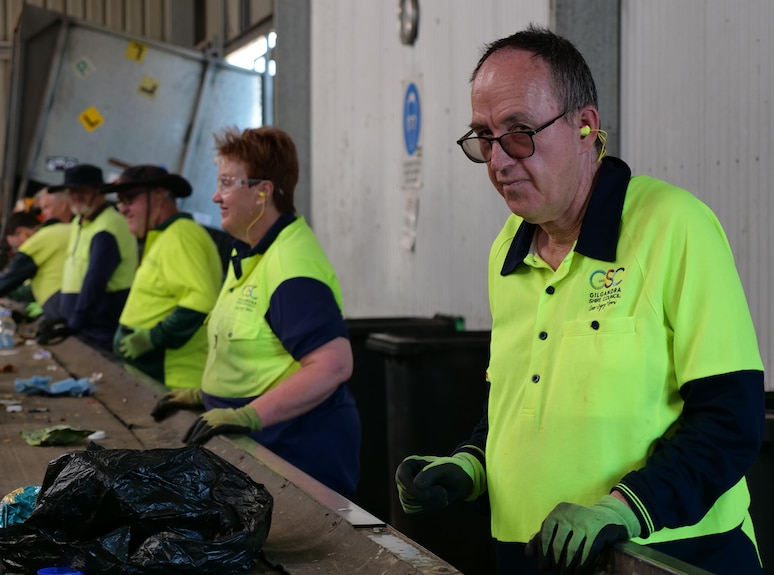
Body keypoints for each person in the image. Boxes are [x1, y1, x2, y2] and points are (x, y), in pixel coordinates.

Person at [394, 25, 765, 575]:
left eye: (519, 133)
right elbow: (517, 399)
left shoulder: (673, 227)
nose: (498, 161)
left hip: (661, 556)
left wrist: (624, 508)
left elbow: (730, 420)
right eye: (484, 137)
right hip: (529, 555)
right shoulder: (508, 248)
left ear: (586, 126)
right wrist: (471, 464)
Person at [151, 126, 361, 498]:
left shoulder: (291, 265)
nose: (216, 196)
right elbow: (260, 349)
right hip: (257, 455)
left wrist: (247, 414)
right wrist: (210, 394)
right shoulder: (251, 253)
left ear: (263, 191)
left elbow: (333, 365)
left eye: (228, 183)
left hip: (293, 457)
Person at [106, 165, 222, 390]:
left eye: (129, 199)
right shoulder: (166, 236)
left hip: (173, 380)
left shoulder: (181, 235)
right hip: (159, 379)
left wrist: (152, 339)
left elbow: (200, 302)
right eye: (120, 201)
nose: (123, 209)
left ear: (159, 195)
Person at [46, 164, 138, 350]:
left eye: (83, 191)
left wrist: (74, 323)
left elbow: (95, 280)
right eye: (71, 191)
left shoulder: (109, 226)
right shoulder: (79, 222)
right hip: (81, 324)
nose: (76, 196)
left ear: (99, 191)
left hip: (98, 328)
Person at [0, 210, 70, 319]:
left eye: (16, 246)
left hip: (64, 303)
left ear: (20, 232)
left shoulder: (37, 242)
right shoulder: (62, 230)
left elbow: (5, 284)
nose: (18, 251)